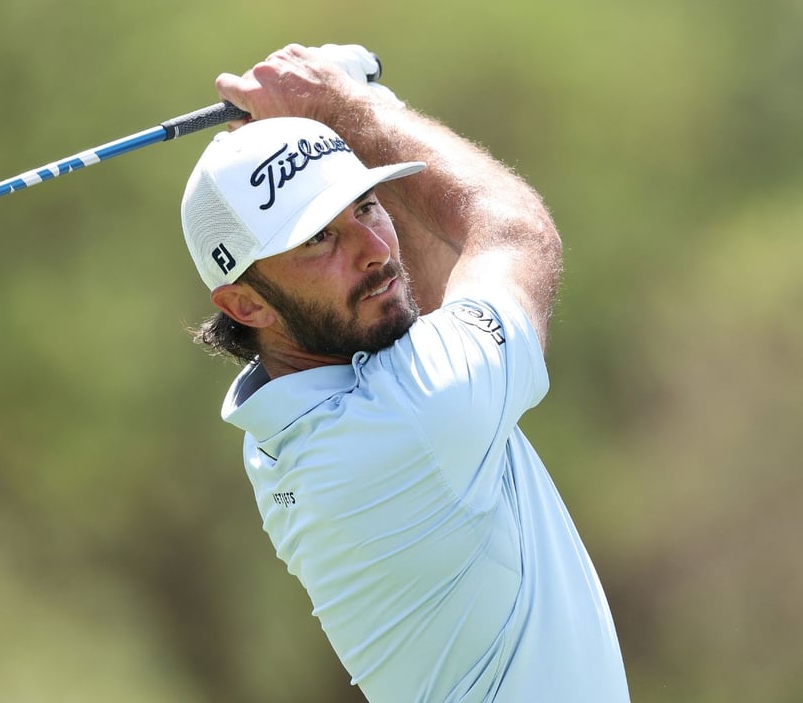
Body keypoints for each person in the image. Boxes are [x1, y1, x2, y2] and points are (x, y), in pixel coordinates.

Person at [180, 44, 630, 701]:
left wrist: (334, 129)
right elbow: (515, 235)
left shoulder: (285, 420)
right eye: (317, 239)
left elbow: (414, 296)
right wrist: (352, 109)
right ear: (245, 304)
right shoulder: (410, 424)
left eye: (366, 206)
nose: (375, 249)